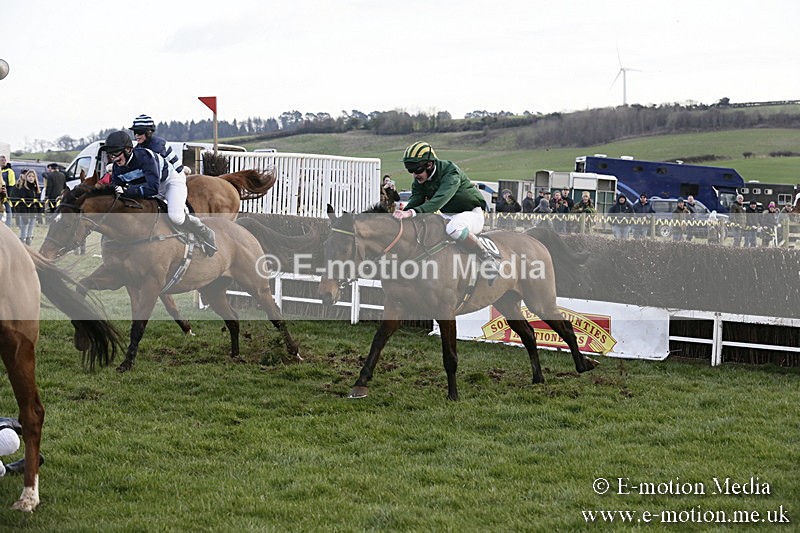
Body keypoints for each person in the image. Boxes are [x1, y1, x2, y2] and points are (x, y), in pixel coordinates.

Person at [395, 141, 498, 281]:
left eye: (417, 170)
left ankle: (487, 259)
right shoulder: (420, 180)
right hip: (447, 215)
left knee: (454, 228)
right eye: (410, 170)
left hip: (471, 214)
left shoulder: (451, 172)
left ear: (429, 165)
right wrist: (404, 214)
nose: (414, 175)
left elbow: (439, 200)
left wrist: (411, 213)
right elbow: (416, 199)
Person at [103, 130, 217, 256]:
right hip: (149, 187)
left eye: (116, 153)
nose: (114, 159)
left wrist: (126, 190)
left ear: (128, 149)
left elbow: (152, 189)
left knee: (176, 217)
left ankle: (205, 232)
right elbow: (115, 189)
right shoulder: (116, 168)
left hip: (170, 183)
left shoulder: (145, 157)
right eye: (111, 155)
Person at [13, 169, 43, 245]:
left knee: (30, 232)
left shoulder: (36, 189)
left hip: (33, 213)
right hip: (25, 213)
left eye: (33, 176)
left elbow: (38, 203)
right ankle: (22, 247)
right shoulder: (23, 189)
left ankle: (28, 247)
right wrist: (24, 215)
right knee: (24, 231)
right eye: (29, 176)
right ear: (26, 177)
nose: (31, 178)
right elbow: (21, 203)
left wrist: (39, 216)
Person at [0, 155, 15, 227]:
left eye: (4, 160)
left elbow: (11, 184)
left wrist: (8, 195)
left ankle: (8, 226)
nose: (3, 161)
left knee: (8, 210)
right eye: (1, 160)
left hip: (6, 193)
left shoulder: (9, 171)